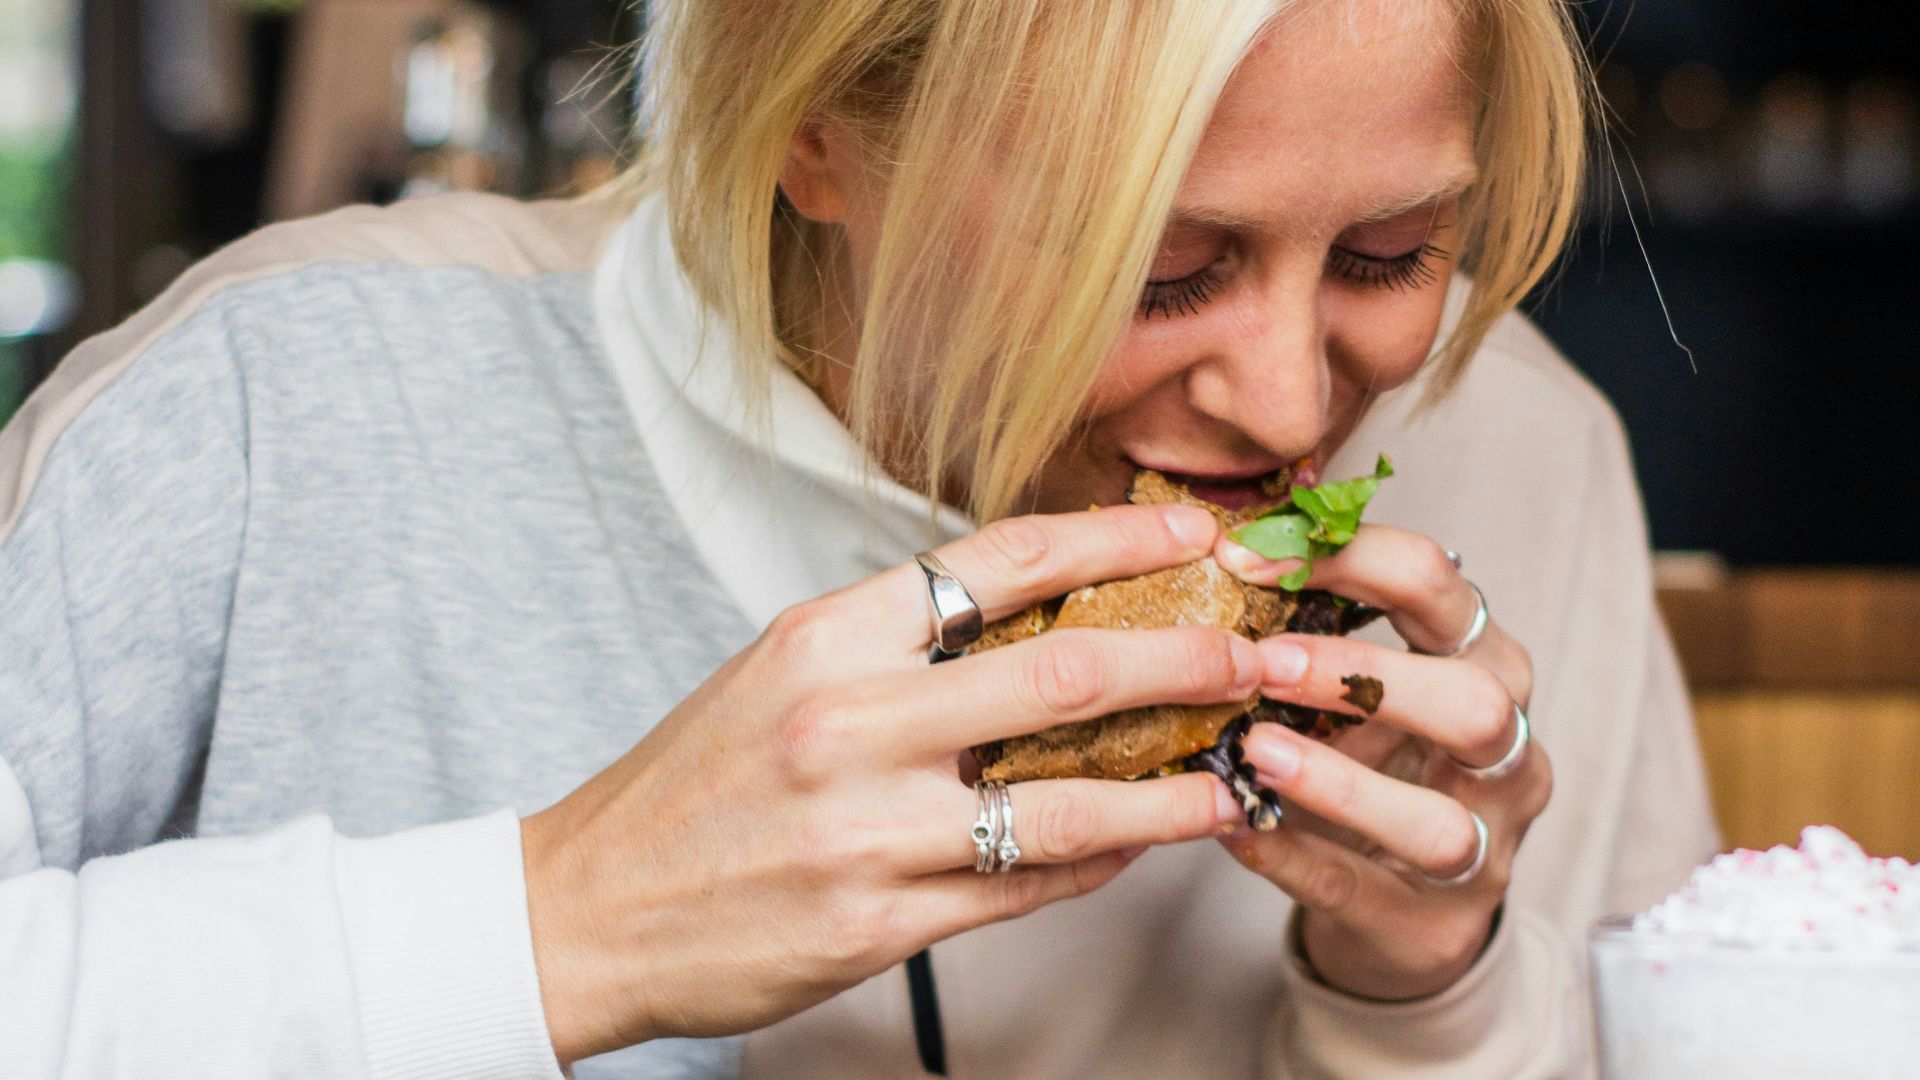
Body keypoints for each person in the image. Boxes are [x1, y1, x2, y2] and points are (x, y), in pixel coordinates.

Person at [0, 1, 1721, 1076]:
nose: (1287, 405)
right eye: (1159, 268)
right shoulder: (271, 406)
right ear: (812, 128)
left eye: (1392, 255)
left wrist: (1432, 999)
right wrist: (555, 924)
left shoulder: (1529, 456)